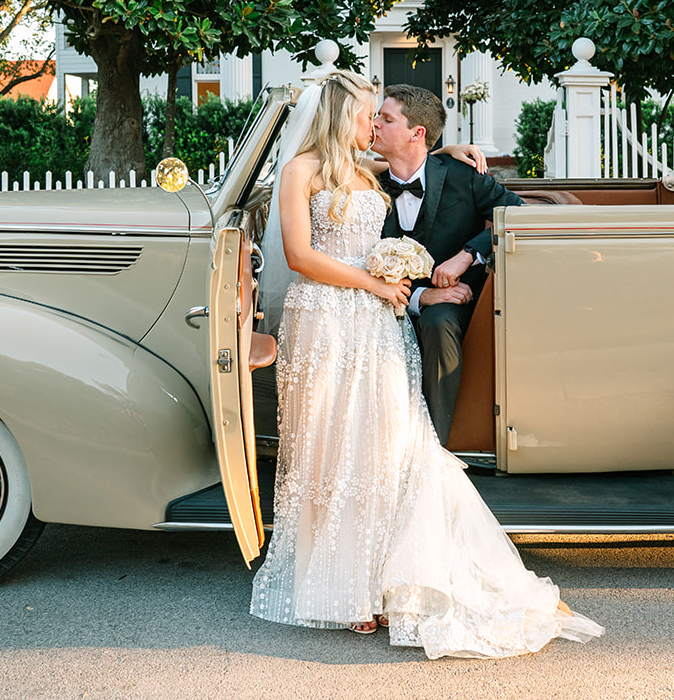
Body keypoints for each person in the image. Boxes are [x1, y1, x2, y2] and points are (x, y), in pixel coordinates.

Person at [250, 70, 603, 658]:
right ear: (346, 117)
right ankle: (347, 592)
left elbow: (418, 157)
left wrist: (448, 151)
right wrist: (377, 284)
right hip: (327, 319)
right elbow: (298, 254)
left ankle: (389, 579)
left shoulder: (369, 171)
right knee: (330, 447)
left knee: (385, 446)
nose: (373, 124)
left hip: (374, 322)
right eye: (369, 115)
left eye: (381, 118)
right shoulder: (302, 171)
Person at [370, 84, 524, 445]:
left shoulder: (463, 176)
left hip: (457, 301)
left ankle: (433, 446)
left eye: (386, 118)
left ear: (417, 133)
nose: (374, 123)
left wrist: (468, 254)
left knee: (439, 322)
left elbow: (518, 215)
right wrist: (419, 296)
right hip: (382, 298)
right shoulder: (367, 186)